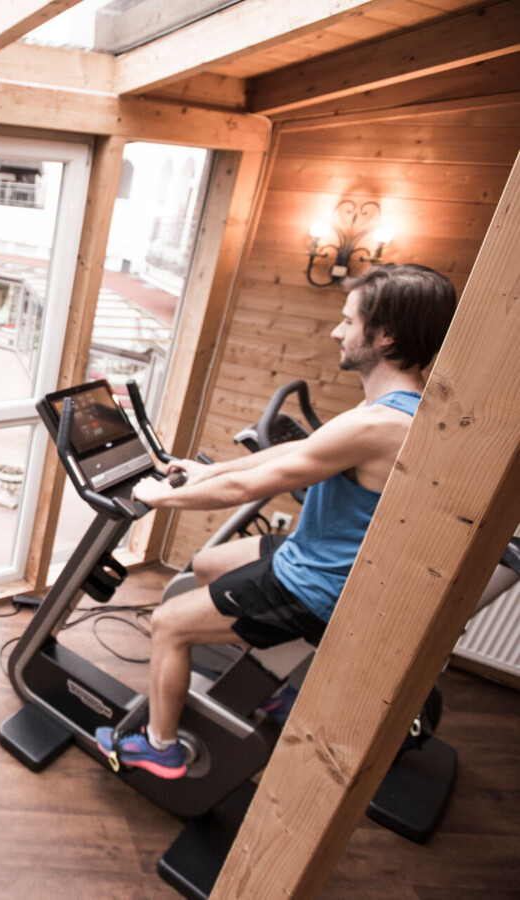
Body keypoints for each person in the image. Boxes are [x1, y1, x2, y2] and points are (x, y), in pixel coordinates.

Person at [97, 263, 457, 780]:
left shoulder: (378, 424)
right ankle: (269, 669)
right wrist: (207, 471)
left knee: (167, 624)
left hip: (315, 585)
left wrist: (160, 497)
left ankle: (161, 747)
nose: (337, 330)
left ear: (384, 337)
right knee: (207, 565)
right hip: (312, 553)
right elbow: (296, 454)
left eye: (348, 322)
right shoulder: (399, 406)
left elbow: (250, 488)